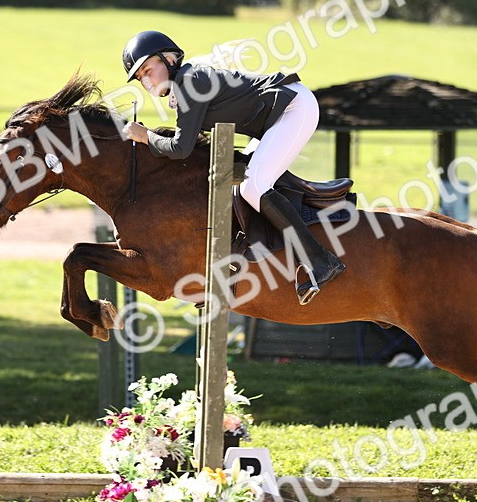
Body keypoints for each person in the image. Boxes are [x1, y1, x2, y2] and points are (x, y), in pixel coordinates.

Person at [119, 30, 344, 305]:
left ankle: (321, 261)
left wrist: (145, 136)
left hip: (293, 109)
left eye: (147, 70)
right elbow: (190, 145)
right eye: (140, 77)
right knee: (240, 187)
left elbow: (181, 148)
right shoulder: (185, 85)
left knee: (254, 187)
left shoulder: (190, 82)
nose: (145, 80)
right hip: (277, 118)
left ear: (168, 59)